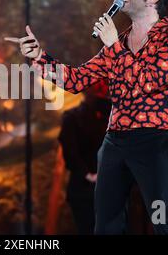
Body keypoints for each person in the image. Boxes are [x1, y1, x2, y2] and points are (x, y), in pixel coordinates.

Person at [5, 0, 168, 235]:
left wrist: (113, 46)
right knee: (106, 224)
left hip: (153, 141)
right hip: (115, 141)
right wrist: (38, 57)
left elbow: (148, 81)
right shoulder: (120, 41)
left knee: (163, 222)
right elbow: (76, 79)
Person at [58, 82, 110, 234]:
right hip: (85, 190)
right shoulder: (72, 118)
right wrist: (90, 175)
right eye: (96, 86)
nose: (101, 89)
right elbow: (70, 152)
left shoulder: (112, 115)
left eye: (103, 85)